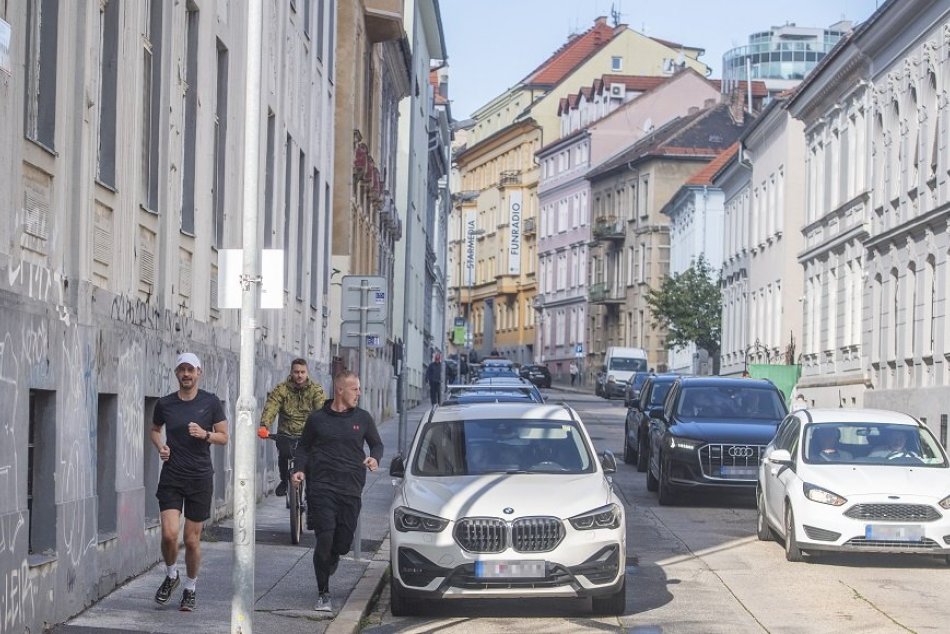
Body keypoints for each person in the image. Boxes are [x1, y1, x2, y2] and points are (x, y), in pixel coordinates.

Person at [292, 370, 383, 613]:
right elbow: (303, 447)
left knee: (341, 544)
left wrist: (375, 458)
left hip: (351, 488)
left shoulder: (363, 418)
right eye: (355, 389)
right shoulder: (317, 419)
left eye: (360, 389)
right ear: (340, 390)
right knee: (325, 538)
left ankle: (331, 558)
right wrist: (299, 469)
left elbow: (377, 443)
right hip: (321, 488)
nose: (359, 393)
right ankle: (323, 592)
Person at [150, 352, 228, 612]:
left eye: (190, 370)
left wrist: (205, 434)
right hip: (172, 475)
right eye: (182, 370)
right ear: (176, 374)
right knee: (169, 534)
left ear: (199, 373)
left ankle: (190, 588)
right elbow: (154, 429)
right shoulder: (165, 404)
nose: (186, 374)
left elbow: (224, 436)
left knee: (192, 540)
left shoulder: (211, 402)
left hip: (199, 477)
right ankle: (172, 575)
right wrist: (161, 447)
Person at [259, 358, 327, 496]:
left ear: (307, 373)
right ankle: (284, 481)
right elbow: (272, 406)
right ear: (291, 372)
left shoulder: (315, 390)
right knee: (283, 455)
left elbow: (321, 410)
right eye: (296, 372)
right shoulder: (282, 389)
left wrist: (324, 428)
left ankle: (312, 487)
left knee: (313, 460)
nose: (299, 375)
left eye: (302, 372)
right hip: (286, 432)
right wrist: (264, 425)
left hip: (307, 434)